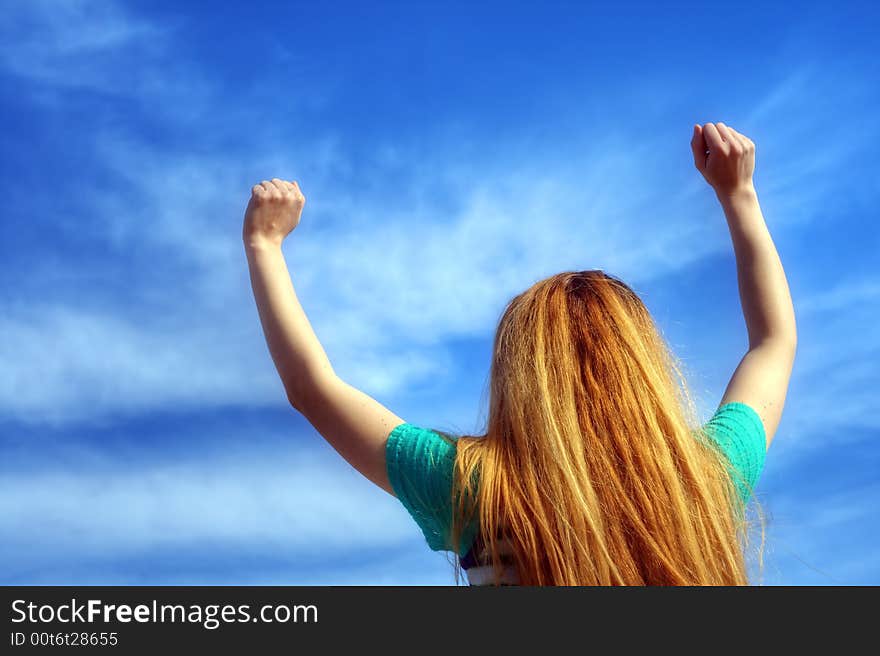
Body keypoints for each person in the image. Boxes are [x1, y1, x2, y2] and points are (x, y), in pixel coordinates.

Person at [242, 121, 797, 586]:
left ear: (520, 372)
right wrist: (739, 194)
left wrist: (264, 245)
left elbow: (313, 390)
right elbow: (773, 344)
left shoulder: (474, 486)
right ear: (644, 367)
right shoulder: (700, 480)